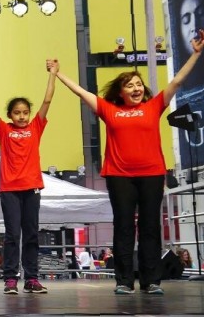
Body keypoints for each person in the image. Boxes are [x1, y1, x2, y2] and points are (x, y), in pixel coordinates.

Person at [54, 28, 204, 295]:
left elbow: (178, 81)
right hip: (119, 175)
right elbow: (81, 92)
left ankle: (151, 281)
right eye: (129, 85)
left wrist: (196, 53)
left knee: (150, 227)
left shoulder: (154, 105)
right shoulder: (109, 110)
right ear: (121, 92)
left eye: (138, 84)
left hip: (152, 174)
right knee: (123, 226)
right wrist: (57, 73)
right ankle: (124, 282)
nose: (135, 88)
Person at [0, 62, 57, 295]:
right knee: (12, 234)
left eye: (25, 112)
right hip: (9, 189)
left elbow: (47, 101)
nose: (22, 116)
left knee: (31, 234)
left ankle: (31, 278)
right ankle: (10, 279)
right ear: (10, 115)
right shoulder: (4, 130)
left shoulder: (36, 127)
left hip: (32, 189)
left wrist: (53, 73)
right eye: (17, 113)